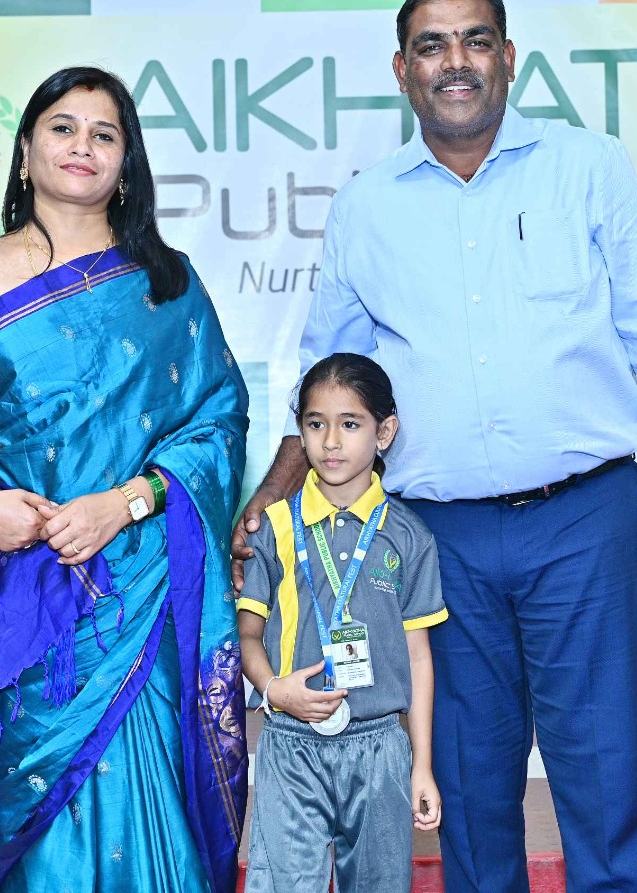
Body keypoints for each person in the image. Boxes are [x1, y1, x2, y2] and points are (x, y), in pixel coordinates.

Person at [235, 0, 637, 893]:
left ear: (508, 58)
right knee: (465, 778)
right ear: (402, 70)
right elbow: (331, 372)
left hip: (586, 523)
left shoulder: (586, 166)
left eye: (476, 40)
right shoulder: (369, 204)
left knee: (604, 770)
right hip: (432, 539)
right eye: (432, 45)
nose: (456, 62)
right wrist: (273, 496)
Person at [0, 66, 249, 893]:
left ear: (127, 163)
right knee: (37, 803)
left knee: (152, 794)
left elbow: (219, 422)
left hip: (143, 583)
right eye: (63, 127)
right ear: (25, 151)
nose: (83, 145)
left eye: (104, 134)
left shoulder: (168, 283)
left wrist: (126, 504)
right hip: (20, 584)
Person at [238, 353, 445, 893]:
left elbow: (418, 657)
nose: (331, 442)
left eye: (350, 424)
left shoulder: (410, 536)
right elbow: (248, 635)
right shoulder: (273, 527)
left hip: (381, 747)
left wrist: (421, 765)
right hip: (290, 742)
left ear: (385, 432)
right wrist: (274, 689)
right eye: (315, 424)